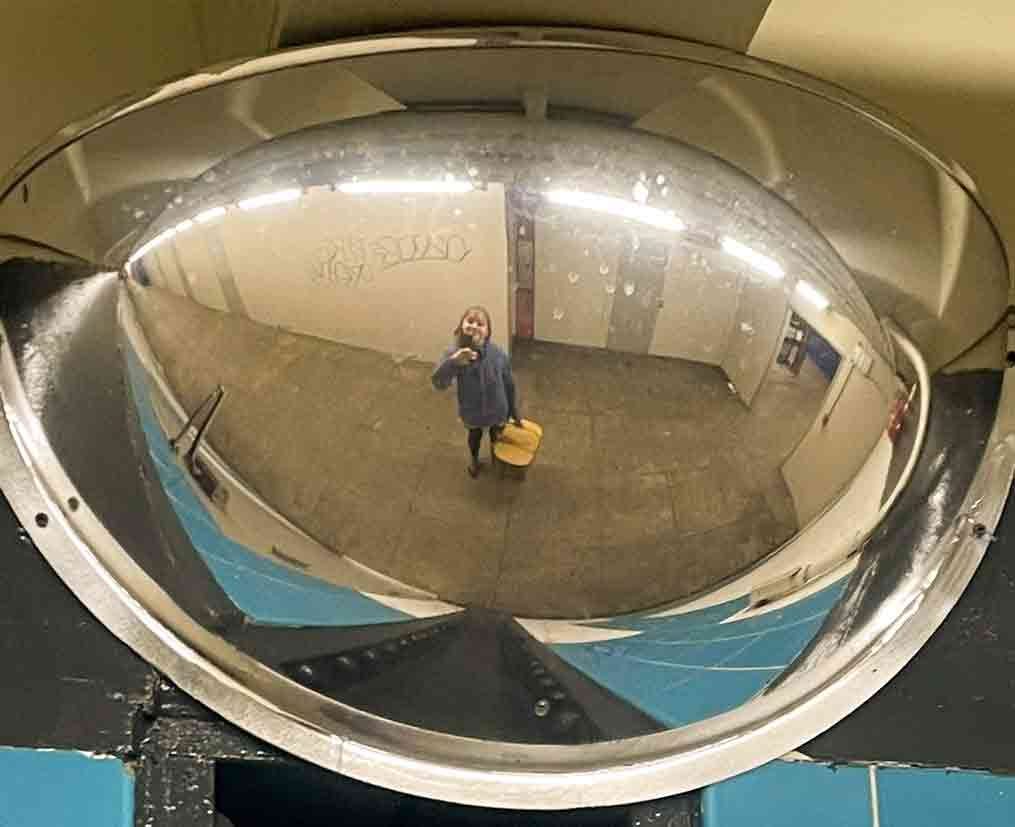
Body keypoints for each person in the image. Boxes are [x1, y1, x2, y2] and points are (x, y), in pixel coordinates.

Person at [432, 305, 520, 477]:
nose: (474, 326)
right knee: (475, 436)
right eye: (470, 321)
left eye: (481, 324)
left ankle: (497, 459)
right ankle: (474, 459)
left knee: (497, 437)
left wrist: (513, 410)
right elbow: (439, 383)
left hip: (497, 408)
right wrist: (453, 362)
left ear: (488, 332)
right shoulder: (454, 353)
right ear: (461, 326)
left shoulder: (497, 354)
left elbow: (509, 382)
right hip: (473, 411)